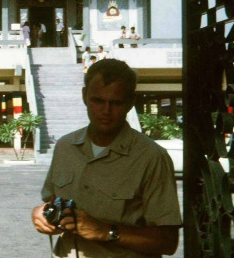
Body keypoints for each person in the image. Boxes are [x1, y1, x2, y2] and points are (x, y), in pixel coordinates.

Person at [31, 59, 181, 257]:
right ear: (84, 96)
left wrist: (106, 231)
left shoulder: (151, 157)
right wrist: (42, 214)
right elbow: (53, 201)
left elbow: (168, 242)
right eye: (98, 101)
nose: (106, 111)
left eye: (116, 103)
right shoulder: (65, 147)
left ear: (130, 102)